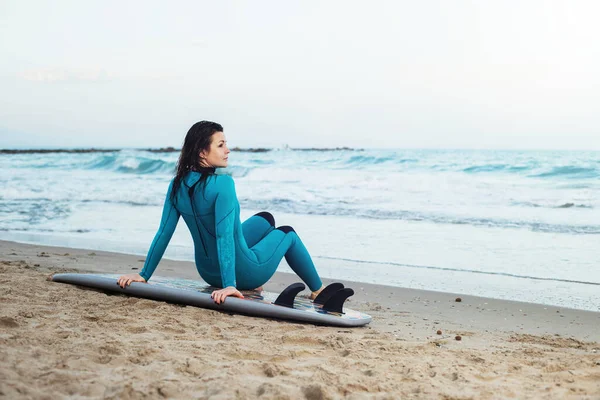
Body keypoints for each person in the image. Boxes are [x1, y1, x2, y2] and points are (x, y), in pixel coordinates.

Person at [117, 121, 323, 304]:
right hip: (245, 273)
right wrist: (230, 285)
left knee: (265, 219)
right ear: (202, 152)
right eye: (221, 145)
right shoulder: (223, 183)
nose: (228, 150)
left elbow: (164, 232)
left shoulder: (176, 184)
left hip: (207, 272)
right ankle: (318, 290)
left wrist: (144, 274)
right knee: (288, 233)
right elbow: (224, 235)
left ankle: (241, 277)